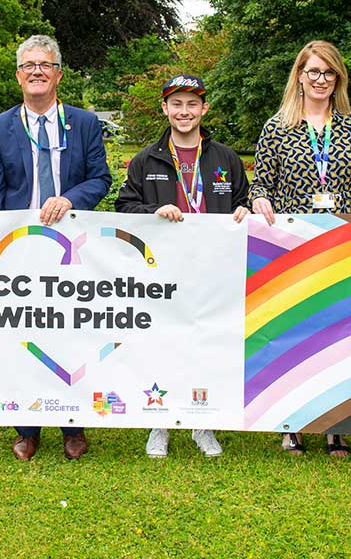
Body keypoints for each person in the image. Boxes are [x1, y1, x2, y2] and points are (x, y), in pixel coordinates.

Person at [249, 40, 351, 458]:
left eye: (328, 72)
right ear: (299, 77)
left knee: (341, 332)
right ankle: (292, 422)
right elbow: (260, 184)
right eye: (313, 72)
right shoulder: (277, 127)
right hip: (294, 246)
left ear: (337, 78)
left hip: (343, 245)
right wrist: (258, 200)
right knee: (298, 333)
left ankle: (336, 426)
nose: (321, 79)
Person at [0, 34, 112, 460]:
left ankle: (72, 425)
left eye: (46, 64)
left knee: (70, 332)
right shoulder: (1, 126)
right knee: (25, 333)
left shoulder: (84, 123)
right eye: (29, 65)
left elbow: (100, 178)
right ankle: (27, 427)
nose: (37, 71)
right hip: (21, 247)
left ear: (58, 74)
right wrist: (0, 241)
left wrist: (71, 198)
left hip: (71, 245)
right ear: (19, 76)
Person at [115, 74, 249, 458]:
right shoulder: (147, 159)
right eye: (177, 104)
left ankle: (200, 423)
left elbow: (245, 201)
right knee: (163, 342)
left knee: (206, 342)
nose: (184, 111)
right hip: (163, 271)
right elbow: (124, 207)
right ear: (165, 109)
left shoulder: (225, 158)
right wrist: (153, 210)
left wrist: (245, 209)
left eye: (192, 104)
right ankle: (160, 422)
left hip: (213, 269)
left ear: (204, 108)